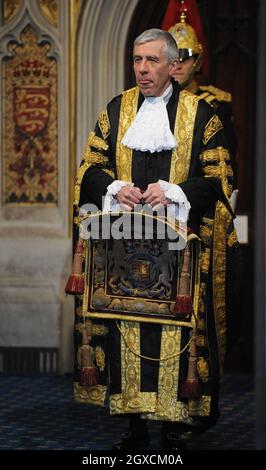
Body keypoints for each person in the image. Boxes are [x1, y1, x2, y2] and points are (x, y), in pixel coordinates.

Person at [70, 28, 236, 451]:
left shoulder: (202, 115)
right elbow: (88, 168)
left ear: (172, 64)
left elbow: (219, 179)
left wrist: (175, 191)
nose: (142, 69)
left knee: (175, 332)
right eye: (137, 60)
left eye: (151, 61)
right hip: (123, 248)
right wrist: (114, 187)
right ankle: (134, 421)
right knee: (128, 326)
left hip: (179, 253)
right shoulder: (116, 109)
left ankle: (177, 422)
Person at [168, 11, 237, 185]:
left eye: (184, 59)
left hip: (198, 191)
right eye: (171, 59)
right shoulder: (152, 102)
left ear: (197, 62)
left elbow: (226, 163)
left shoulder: (215, 104)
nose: (177, 66)